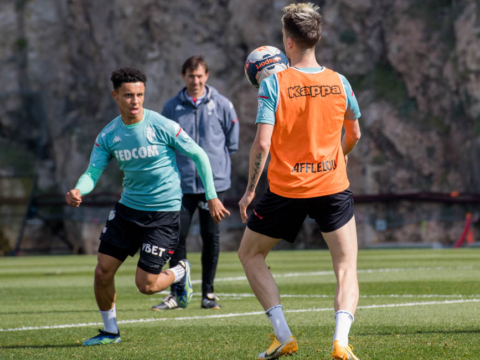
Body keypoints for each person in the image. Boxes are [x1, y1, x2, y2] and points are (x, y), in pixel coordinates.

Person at [65, 67, 229, 346]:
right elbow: (92, 172)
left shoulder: (160, 125)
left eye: (140, 94)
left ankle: (181, 271)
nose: (135, 101)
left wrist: (212, 196)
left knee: (147, 286)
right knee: (102, 271)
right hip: (128, 210)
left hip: (163, 213)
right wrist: (79, 189)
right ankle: (110, 332)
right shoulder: (109, 135)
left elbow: (198, 154)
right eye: (128, 95)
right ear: (115, 96)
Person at [237, 3, 362, 360]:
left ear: (287, 43)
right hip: (332, 186)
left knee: (250, 254)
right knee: (345, 266)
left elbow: (262, 142)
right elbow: (354, 132)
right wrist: (342, 152)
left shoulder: (272, 83)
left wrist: (248, 192)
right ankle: (340, 341)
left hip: (286, 190)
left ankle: (283, 335)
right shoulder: (339, 82)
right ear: (315, 39)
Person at [152, 56, 239, 311]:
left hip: (215, 184)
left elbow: (232, 142)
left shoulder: (223, 105)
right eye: (191, 76)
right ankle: (177, 294)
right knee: (176, 238)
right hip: (180, 184)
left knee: (210, 236)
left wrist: (215, 168)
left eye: (200, 75)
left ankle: (208, 294)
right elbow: (164, 144)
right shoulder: (171, 108)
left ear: (207, 76)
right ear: (183, 77)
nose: (196, 80)